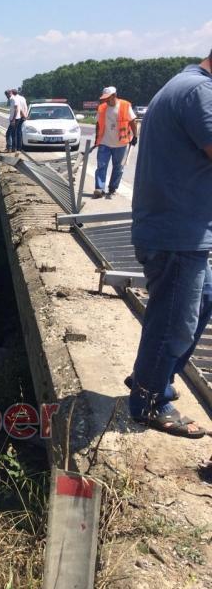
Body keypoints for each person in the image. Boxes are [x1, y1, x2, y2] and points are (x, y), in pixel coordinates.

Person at [128, 48, 212, 438]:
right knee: (174, 323)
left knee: (200, 303)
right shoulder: (199, 92)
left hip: (181, 229)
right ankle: (148, 403)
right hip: (176, 232)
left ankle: (153, 378)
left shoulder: (183, 85)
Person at [93, 87, 138, 198]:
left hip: (121, 143)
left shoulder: (125, 105)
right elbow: (98, 124)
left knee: (118, 167)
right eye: (104, 99)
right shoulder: (102, 108)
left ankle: (113, 188)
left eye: (108, 98)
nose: (106, 101)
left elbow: (133, 121)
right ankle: (99, 188)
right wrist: (97, 139)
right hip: (104, 142)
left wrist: (135, 136)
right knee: (101, 165)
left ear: (114, 95)